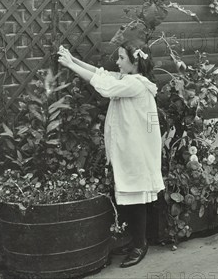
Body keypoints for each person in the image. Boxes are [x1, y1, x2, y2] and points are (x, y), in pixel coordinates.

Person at [57, 41, 163, 268]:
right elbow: (100, 73)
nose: (117, 62)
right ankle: (136, 240)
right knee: (130, 195)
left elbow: (104, 85)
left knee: (137, 197)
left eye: (122, 58)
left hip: (138, 150)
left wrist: (71, 65)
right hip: (131, 147)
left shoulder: (136, 84)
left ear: (135, 63)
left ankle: (140, 244)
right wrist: (72, 60)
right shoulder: (128, 79)